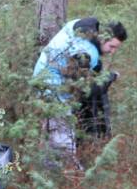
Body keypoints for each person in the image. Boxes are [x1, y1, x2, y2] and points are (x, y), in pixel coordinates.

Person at [31, 16, 127, 160]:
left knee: (50, 138)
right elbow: (85, 90)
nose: (112, 51)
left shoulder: (80, 25)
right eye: (111, 46)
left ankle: (47, 165)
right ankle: (63, 173)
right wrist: (109, 78)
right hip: (53, 94)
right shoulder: (84, 53)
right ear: (102, 38)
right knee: (63, 146)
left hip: (42, 79)